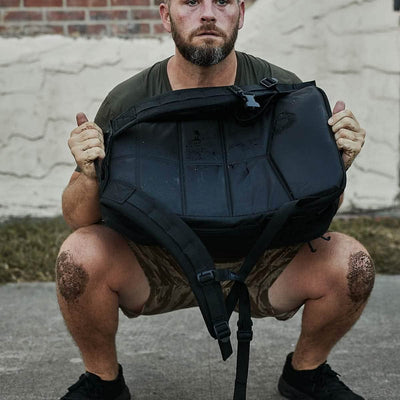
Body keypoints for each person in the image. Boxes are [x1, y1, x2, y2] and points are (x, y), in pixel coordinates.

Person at [56, 0, 374, 399]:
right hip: (161, 260)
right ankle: (102, 382)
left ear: (240, 13)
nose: (207, 13)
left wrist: (336, 166)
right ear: (165, 14)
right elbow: (78, 217)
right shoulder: (129, 99)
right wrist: (88, 172)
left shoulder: (282, 90)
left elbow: (321, 214)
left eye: (222, 1)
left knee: (354, 264)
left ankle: (305, 373)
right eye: (190, 2)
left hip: (261, 257)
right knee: (77, 256)